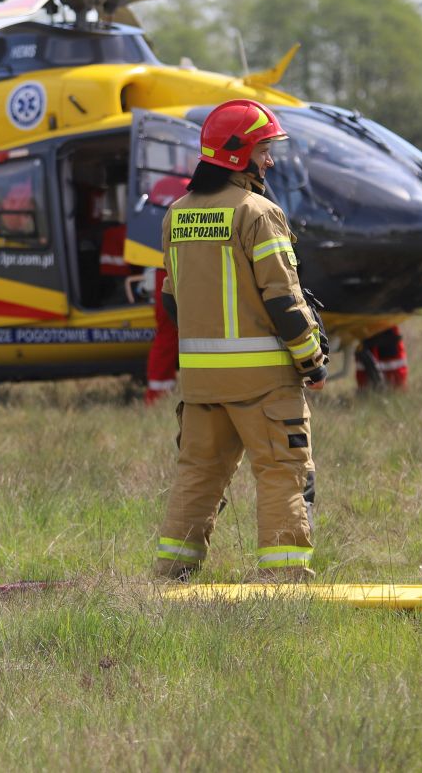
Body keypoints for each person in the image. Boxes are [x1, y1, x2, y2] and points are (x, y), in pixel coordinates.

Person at [153, 99, 328, 583]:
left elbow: (171, 304)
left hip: (202, 384)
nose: (269, 161)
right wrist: (311, 360)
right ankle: (284, 580)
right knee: (282, 472)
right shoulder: (258, 213)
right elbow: (285, 302)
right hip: (264, 383)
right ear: (238, 155)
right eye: (263, 150)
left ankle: (172, 576)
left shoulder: (177, 215)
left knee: (198, 475)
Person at [143, 174, 191, 404]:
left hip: (160, 262)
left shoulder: (160, 185)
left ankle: (156, 394)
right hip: (183, 264)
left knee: (166, 331)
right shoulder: (190, 187)